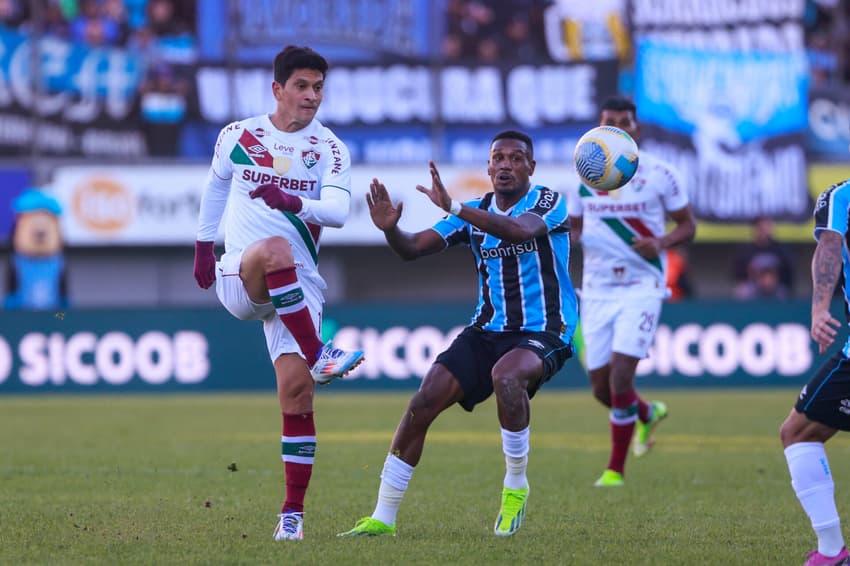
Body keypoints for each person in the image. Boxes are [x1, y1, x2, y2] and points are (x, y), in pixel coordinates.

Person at [338, 130, 577, 537]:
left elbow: (519, 231)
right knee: (423, 401)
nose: (505, 165)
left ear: (531, 167)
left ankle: (515, 486)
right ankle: (383, 516)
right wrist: (391, 230)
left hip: (546, 329)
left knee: (507, 376)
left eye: (516, 158)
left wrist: (453, 205)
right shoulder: (473, 212)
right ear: (487, 168)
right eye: (497, 158)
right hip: (487, 330)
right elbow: (413, 248)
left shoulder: (548, 201)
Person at [192, 45, 365, 542]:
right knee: (272, 248)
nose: (312, 97)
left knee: (296, 393)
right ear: (278, 89)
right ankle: (319, 352)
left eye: (318, 88)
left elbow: (336, 212)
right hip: (242, 276)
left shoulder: (329, 149)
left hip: (298, 283)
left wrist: (292, 200)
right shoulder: (240, 136)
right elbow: (216, 185)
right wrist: (205, 245)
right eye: (302, 87)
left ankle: (292, 515)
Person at [566, 95, 696, 487]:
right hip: (598, 288)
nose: (619, 127)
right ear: (599, 125)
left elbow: (688, 225)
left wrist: (659, 243)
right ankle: (646, 413)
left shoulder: (661, 174)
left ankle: (614, 470)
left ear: (636, 128)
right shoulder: (584, 178)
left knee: (621, 378)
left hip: (642, 286)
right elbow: (573, 228)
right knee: (602, 389)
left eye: (625, 121)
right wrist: (577, 239)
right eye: (611, 121)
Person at [780, 177, 850, 566]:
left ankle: (831, 551)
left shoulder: (842, 195)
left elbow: (830, 243)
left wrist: (820, 308)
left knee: (798, 432)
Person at [732, 215, 795, 296]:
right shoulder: (746, 250)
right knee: (743, 291)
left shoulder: (780, 249)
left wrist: (773, 280)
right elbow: (738, 274)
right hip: (753, 286)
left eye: (767, 227)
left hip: (776, 287)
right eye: (761, 228)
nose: (764, 231)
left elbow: (789, 273)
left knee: (784, 292)